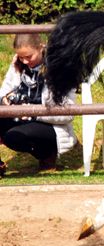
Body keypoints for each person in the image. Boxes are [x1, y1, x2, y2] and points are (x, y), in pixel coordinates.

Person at [0, 34, 77, 177]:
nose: (25, 61)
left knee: (13, 137)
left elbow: (69, 113)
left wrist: (33, 113)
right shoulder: (17, 64)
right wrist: (6, 99)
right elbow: (3, 91)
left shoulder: (60, 67)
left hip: (49, 124)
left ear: (40, 48)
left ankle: (47, 154)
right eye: (21, 57)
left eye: (28, 56)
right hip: (20, 119)